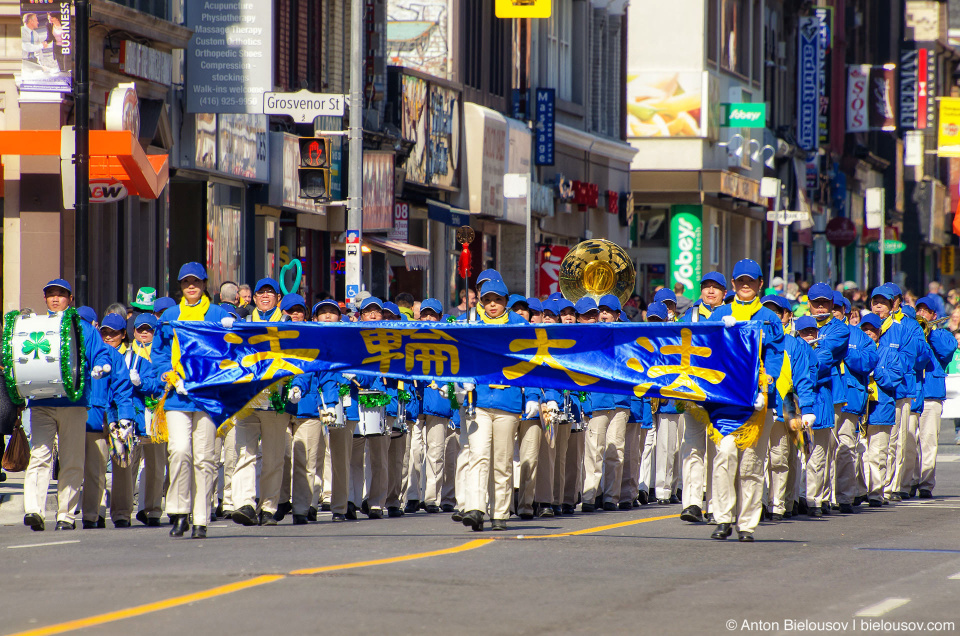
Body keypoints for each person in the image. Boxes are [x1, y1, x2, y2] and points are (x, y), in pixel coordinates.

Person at [147, 263, 231, 538]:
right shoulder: (170, 315)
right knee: (180, 451)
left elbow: (229, 350)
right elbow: (158, 351)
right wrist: (167, 374)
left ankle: (201, 518)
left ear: (205, 284)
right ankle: (179, 513)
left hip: (207, 396)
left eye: (196, 281)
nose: (191, 286)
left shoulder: (218, 314)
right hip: (177, 395)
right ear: (180, 287)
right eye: (186, 282)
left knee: (205, 458)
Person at [22, 279, 113, 532]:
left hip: (74, 403)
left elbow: (102, 354)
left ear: (70, 299)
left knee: (72, 459)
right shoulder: (35, 326)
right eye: (50, 295)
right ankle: (34, 510)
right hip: (42, 401)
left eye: (60, 295)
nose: (54, 299)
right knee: (40, 456)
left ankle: (66, 515)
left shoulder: (84, 329)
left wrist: (99, 368)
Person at [707, 259, 785, 542]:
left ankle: (747, 524)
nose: (745, 286)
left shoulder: (770, 317)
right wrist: (723, 332)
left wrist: (768, 382)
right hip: (727, 401)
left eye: (750, 281)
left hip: (758, 400)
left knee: (751, 464)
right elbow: (705, 350)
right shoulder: (720, 314)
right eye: (740, 281)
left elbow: (776, 353)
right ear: (733, 284)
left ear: (760, 284)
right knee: (725, 454)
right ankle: (723, 518)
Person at [459, 276, 528, 531]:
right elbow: (461, 357)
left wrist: (531, 397)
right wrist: (461, 380)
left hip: (508, 402)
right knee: (478, 456)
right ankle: (475, 508)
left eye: (497, 300)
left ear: (506, 302)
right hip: (478, 401)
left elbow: (532, 364)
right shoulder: (472, 325)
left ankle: (500, 512)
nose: (491, 305)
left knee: (502, 460)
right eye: (487, 300)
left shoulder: (519, 325)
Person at [230, 278, 292, 527]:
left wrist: (296, 385)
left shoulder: (287, 323)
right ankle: (244, 503)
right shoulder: (242, 323)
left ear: (278, 297)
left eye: (270, 292)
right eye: (260, 293)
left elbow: (299, 357)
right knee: (245, 453)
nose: (265, 296)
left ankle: (268, 507)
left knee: (274, 457)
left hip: (276, 396)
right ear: (253, 298)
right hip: (247, 397)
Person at [82, 313, 136, 529]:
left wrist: (125, 418)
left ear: (123, 335)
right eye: (104, 332)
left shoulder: (116, 357)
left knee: (122, 466)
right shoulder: (88, 353)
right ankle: (92, 514)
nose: (108, 336)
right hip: (94, 416)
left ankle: (122, 513)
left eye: (113, 333)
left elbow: (123, 388)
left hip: (115, 417)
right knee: (94, 468)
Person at [804, 283, 850, 517]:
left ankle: (822, 497)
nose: (820, 306)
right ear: (809, 303)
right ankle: (809, 495)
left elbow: (824, 355)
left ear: (832, 305)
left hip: (829, 392)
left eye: (825, 302)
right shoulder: (801, 324)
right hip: (801, 391)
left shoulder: (839, 329)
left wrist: (805, 346)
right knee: (804, 450)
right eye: (816, 302)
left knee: (825, 448)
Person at [914, 296, 957, 498]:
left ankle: (925, 483)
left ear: (934, 315)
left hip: (931, 394)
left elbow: (948, 350)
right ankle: (909, 481)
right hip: (912, 393)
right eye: (919, 310)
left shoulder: (942, 334)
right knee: (908, 441)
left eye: (925, 311)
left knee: (928, 441)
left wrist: (929, 332)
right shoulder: (912, 333)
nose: (921, 314)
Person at [128, 313, 166, 527]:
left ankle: (151, 509)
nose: (144, 332)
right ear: (133, 331)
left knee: (155, 464)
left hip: (155, 415)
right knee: (128, 464)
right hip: (133, 414)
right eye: (140, 328)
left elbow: (160, 383)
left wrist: (142, 383)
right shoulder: (127, 353)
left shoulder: (161, 353)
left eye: (149, 329)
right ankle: (123, 509)